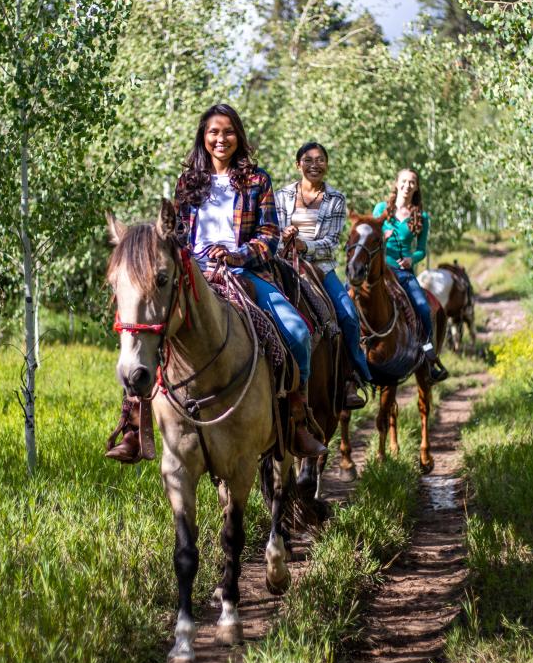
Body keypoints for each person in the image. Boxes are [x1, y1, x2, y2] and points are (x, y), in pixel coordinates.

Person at [106, 104, 326, 462]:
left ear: (238, 136)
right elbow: (176, 237)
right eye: (213, 132)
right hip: (193, 276)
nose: (220, 139)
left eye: (228, 132)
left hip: (244, 273)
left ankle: (298, 420)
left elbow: (269, 234)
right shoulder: (188, 182)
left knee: (297, 332)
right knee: (147, 329)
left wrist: (239, 254)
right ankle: (133, 424)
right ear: (203, 137)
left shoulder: (257, 180)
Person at [277, 141, 370, 410]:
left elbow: (331, 242)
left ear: (326, 165)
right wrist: (285, 239)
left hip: (321, 268)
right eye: (308, 160)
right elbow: (274, 233)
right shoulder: (282, 196)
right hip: (285, 265)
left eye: (320, 160)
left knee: (349, 316)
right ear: (298, 165)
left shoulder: (336, 199)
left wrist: (305, 245)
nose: (314, 165)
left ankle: (352, 376)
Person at [372, 168, 449, 382]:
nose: (407, 185)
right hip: (379, 270)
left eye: (412, 182)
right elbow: (369, 235)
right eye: (404, 181)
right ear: (396, 184)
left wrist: (411, 260)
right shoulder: (380, 208)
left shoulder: (421, 216)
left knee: (423, 308)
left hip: (403, 272)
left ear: (416, 188)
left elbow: (421, 249)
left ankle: (428, 355)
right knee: (351, 297)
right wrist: (381, 238)